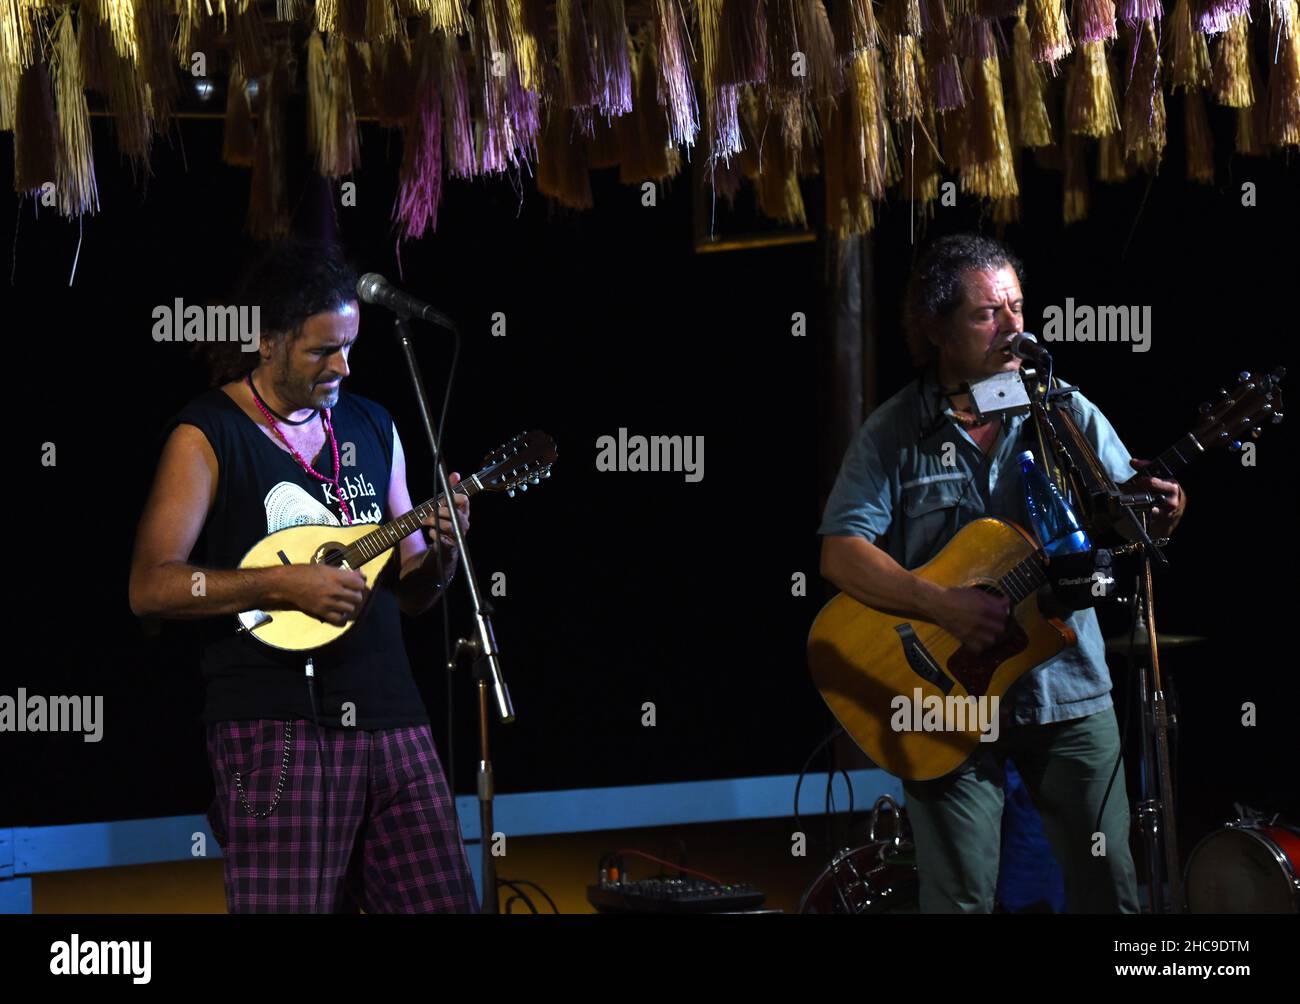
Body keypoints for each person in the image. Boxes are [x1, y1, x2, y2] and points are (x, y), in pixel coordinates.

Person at [817, 234, 1186, 913]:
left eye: (1018, 306)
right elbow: (840, 553)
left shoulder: (1063, 411)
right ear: (936, 327)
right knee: (959, 901)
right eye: (988, 313)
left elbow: (1128, 512)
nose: (1015, 327)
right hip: (944, 696)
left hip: (1066, 692)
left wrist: (1162, 514)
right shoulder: (895, 430)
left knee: (1112, 888)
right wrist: (940, 605)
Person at [128, 239, 479, 913]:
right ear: (266, 341)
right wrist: (279, 586)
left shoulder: (374, 425)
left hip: (396, 722)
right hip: (277, 731)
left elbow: (413, 593)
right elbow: (150, 585)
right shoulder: (209, 433)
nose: (342, 365)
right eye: (322, 350)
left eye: (349, 346)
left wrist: (444, 549)